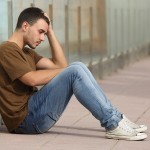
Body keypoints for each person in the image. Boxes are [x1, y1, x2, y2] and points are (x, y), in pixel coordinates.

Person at [0, 7, 148, 141]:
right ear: (25, 26)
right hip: (25, 121)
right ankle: (113, 123)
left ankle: (117, 119)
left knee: (77, 66)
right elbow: (31, 79)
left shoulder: (27, 52)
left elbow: (60, 65)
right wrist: (69, 71)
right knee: (75, 70)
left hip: (34, 112)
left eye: (45, 34)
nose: (42, 38)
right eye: (41, 32)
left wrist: (50, 31)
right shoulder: (7, 50)